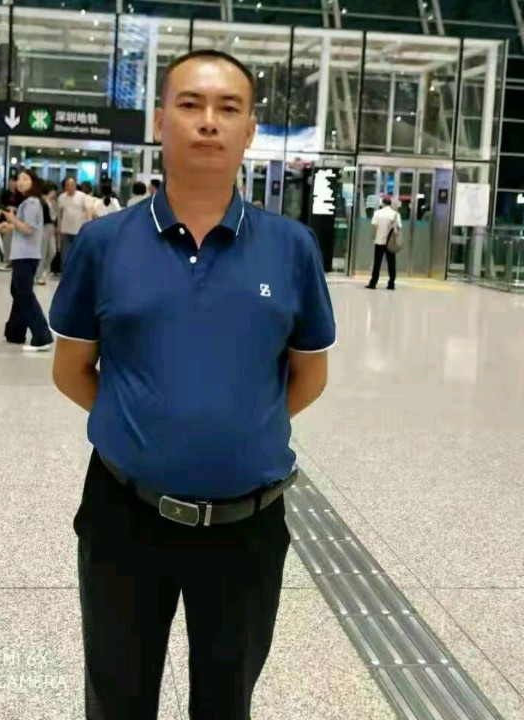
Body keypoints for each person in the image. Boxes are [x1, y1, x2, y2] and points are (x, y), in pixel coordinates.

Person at [49, 49, 335, 720]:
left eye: (228, 108)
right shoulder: (104, 243)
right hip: (124, 518)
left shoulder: (291, 248)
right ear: (160, 122)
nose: (209, 121)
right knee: (117, 701)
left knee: (226, 703)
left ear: (250, 130)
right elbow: (71, 369)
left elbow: (309, 375)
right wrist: (144, 426)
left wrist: (237, 427)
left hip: (247, 528)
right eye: (190, 104)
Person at [0, 169, 55, 352]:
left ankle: (42, 336)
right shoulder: (29, 202)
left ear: (33, 183)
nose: (20, 182)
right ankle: (15, 332)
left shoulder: (31, 203)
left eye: (25, 179)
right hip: (23, 253)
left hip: (26, 254)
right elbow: (24, 227)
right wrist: (11, 225)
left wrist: (12, 219)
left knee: (24, 293)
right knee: (18, 291)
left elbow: (29, 229)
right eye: (19, 179)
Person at [366, 197, 401, 290]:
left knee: (377, 263)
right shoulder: (395, 214)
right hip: (390, 243)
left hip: (379, 241)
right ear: (390, 204)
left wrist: (373, 237)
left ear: (383, 203)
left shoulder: (377, 213)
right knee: (391, 263)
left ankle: (373, 283)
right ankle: (391, 283)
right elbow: (399, 227)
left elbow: (374, 226)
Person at [57, 177, 89, 270]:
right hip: (65, 230)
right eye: (68, 185)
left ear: (75, 185)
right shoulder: (61, 197)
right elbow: (59, 214)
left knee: (78, 255)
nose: (70, 187)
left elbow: (88, 210)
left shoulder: (82, 196)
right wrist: (58, 227)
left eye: (72, 185)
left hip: (79, 231)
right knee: (65, 256)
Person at [0, 175, 24, 269]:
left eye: (13, 182)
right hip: (7, 219)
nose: (12, 184)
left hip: (17, 220)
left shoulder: (21, 195)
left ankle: (16, 260)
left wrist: (15, 209)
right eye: (10, 182)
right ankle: (8, 260)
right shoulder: (5, 194)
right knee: (7, 241)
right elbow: (1, 206)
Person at [36, 182, 58, 286]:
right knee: (42, 251)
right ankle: (39, 274)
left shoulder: (52, 202)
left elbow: (54, 216)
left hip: (51, 226)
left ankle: (46, 269)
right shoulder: (41, 202)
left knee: (52, 251)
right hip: (43, 227)